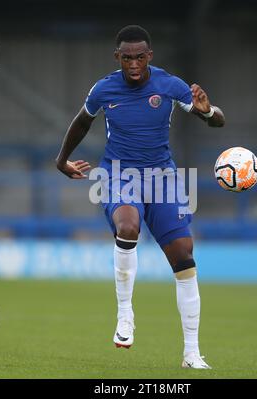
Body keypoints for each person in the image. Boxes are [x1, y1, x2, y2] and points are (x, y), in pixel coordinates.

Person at [56, 25, 225, 369]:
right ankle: (125, 315)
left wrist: (207, 111)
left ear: (150, 56)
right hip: (119, 174)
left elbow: (217, 121)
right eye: (126, 58)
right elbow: (81, 123)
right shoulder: (104, 89)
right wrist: (61, 161)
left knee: (184, 255)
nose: (133, 64)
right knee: (128, 227)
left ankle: (191, 353)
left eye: (139, 57)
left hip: (162, 177)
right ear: (117, 57)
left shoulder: (170, 86)